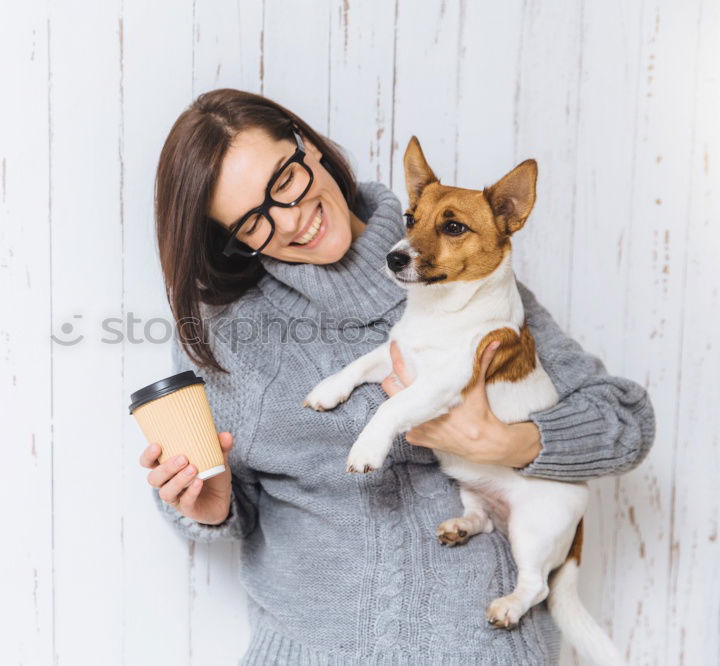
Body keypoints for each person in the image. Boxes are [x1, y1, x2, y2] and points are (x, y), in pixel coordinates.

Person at [137, 88, 655, 664]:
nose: (289, 220)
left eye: (283, 181)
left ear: (307, 147)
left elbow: (627, 421)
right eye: (252, 221)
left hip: (484, 651)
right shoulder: (227, 332)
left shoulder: (470, 280)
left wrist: (510, 441)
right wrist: (213, 506)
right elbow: (224, 498)